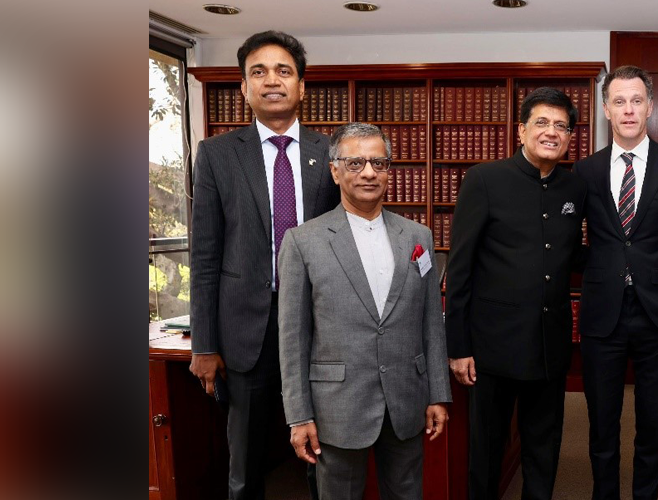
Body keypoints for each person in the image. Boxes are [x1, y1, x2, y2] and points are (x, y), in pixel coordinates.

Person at [189, 30, 340, 500]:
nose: (271, 80)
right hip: (245, 329)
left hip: (320, 324)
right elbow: (205, 255)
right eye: (259, 71)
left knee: (325, 454)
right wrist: (205, 343)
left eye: (283, 71)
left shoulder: (332, 153)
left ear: (301, 87)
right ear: (244, 88)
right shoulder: (216, 154)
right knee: (245, 462)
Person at [277, 122, 450, 499]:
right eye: (355, 163)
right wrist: (299, 416)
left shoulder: (419, 237)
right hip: (337, 406)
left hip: (406, 399)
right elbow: (292, 338)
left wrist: (438, 393)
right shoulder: (303, 241)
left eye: (379, 163)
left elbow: (430, 325)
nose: (369, 172)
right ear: (334, 169)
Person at [445, 87, 587, 500]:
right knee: (486, 451)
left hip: (550, 343)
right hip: (492, 347)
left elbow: (571, 255)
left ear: (569, 137)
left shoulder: (574, 189)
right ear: (521, 130)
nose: (552, 132)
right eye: (542, 123)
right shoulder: (484, 179)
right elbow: (460, 267)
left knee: (544, 449)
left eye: (561, 126)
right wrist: (459, 346)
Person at [573, 65, 658, 500]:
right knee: (601, 422)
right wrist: (606, 271)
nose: (628, 109)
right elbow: (573, 244)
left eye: (636, 100)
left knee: (654, 420)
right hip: (602, 316)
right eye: (619, 101)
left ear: (650, 106)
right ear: (607, 109)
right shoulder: (585, 172)